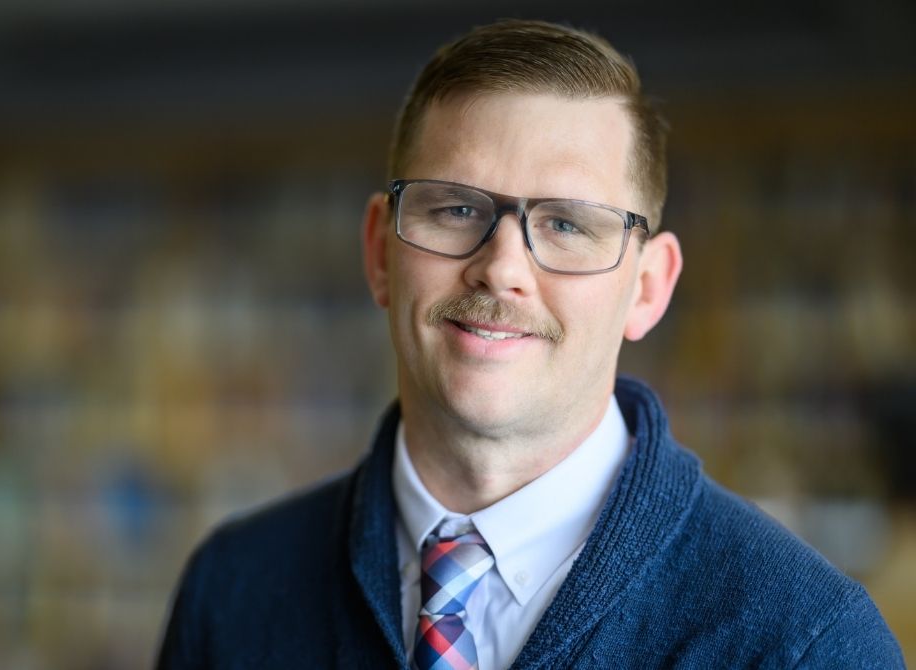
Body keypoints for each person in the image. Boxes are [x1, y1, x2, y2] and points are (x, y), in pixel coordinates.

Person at [155, 19, 903, 669]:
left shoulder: (802, 642)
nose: (502, 268)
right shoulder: (234, 593)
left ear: (648, 288)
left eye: (567, 224)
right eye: (455, 208)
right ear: (381, 251)